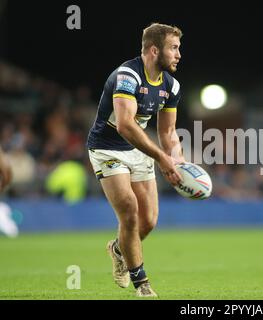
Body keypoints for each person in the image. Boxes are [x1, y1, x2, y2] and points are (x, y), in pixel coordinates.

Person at [86, 23, 185, 297]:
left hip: (138, 152)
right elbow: (125, 126)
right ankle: (142, 284)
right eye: (174, 48)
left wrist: (178, 162)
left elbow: (167, 131)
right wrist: (162, 158)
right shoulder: (127, 75)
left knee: (149, 221)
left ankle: (118, 249)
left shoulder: (171, 85)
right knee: (129, 210)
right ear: (155, 50)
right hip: (107, 148)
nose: (179, 55)